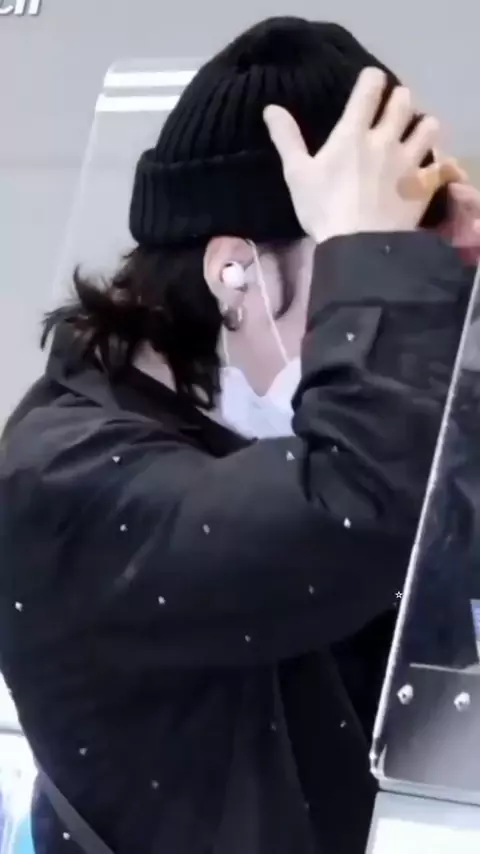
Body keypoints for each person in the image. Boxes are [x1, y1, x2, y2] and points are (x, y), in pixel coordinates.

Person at [0, 16, 476, 854]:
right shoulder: (61, 483)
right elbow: (355, 518)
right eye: (349, 266)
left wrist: (445, 274)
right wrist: (382, 265)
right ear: (233, 271)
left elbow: (440, 510)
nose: (359, 324)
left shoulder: (282, 425)